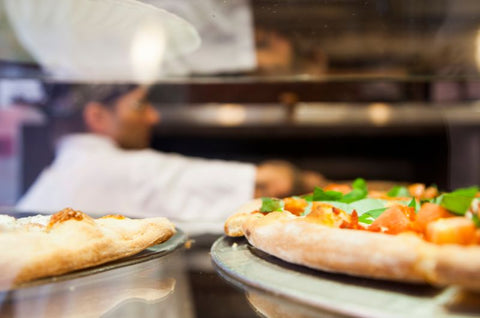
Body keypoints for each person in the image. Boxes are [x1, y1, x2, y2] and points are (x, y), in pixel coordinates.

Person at [16, 84, 326, 234]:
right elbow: (273, 184)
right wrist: (313, 183)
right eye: (139, 104)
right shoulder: (121, 169)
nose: (152, 116)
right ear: (96, 116)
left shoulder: (51, 179)